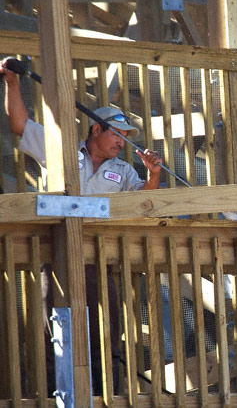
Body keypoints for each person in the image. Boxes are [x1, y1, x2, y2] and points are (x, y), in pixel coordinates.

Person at [1, 59, 162, 396]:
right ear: (96, 130)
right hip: (56, 254)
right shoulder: (62, 150)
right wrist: (12, 84)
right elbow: (20, 124)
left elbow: (141, 204)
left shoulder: (126, 171)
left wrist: (153, 176)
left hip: (99, 260)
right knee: (53, 333)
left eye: (126, 138)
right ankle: (51, 399)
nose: (122, 142)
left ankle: (108, 398)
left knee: (108, 333)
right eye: (117, 134)